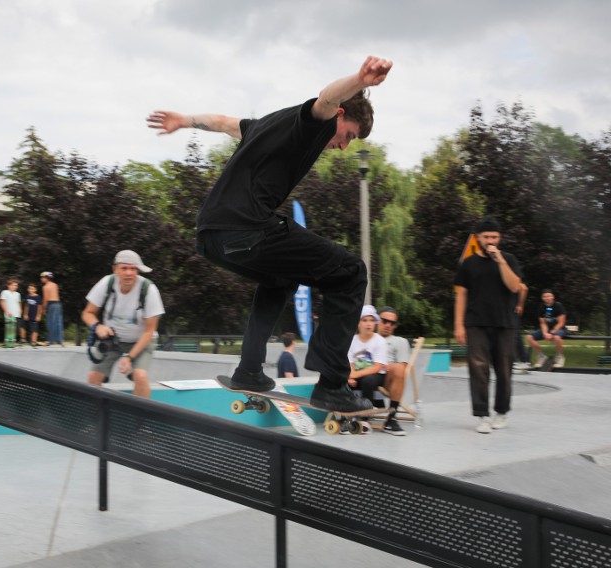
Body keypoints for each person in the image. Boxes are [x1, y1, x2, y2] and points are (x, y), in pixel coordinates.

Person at [147, 55, 393, 412]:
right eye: (349, 135)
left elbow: (224, 123)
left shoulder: (266, 124)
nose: (344, 146)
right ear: (341, 115)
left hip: (212, 236)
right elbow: (325, 98)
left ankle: (248, 370)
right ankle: (333, 385)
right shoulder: (315, 123)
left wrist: (184, 120)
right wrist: (360, 79)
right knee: (352, 272)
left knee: (280, 279)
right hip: (247, 230)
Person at [454, 216, 524, 434]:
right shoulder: (468, 263)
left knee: (504, 371)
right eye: (486, 237)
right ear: (478, 238)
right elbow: (462, 295)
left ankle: (501, 413)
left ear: (499, 238)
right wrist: (458, 325)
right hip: (476, 323)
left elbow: (515, 287)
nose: (490, 240)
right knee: (478, 370)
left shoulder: (509, 259)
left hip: (505, 324)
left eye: (494, 237)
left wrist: (500, 260)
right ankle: (482, 416)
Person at [81, 250, 165, 399]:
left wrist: (129, 358)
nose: (129, 273)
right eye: (124, 268)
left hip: (140, 341)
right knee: (94, 376)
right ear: (115, 269)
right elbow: (88, 313)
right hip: (113, 339)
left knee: (140, 376)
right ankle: (95, 419)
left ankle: (141, 419)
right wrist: (98, 327)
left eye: (133, 269)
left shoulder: (149, 290)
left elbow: (149, 331)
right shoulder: (107, 283)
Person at [376, 306, 410, 436]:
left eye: (392, 323)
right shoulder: (367, 338)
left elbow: (402, 366)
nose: (388, 325)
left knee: (399, 368)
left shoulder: (400, 341)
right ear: (377, 320)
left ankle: (391, 418)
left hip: (386, 378)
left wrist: (387, 366)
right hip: (365, 374)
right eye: (384, 321)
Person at [347, 305, 389, 408]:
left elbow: (377, 367)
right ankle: (345, 412)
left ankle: (366, 414)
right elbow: (350, 362)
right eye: (364, 320)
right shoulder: (352, 340)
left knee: (368, 380)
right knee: (340, 379)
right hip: (357, 372)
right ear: (358, 323)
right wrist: (349, 376)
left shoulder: (380, 341)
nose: (368, 324)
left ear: (375, 323)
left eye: (371, 320)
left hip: (376, 375)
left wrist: (355, 375)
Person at [526, 289, 568, 369]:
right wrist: (545, 333)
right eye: (545, 296)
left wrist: (552, 333)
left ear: (553, 297)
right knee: (529, 337)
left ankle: (560, 357)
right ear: (542, 298)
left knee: (556, 337)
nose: (547, 298)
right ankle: (541, 357)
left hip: (559, 329)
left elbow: (561, 322)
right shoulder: (541, 307)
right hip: (547, 330)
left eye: (549, 296)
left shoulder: (558, 306)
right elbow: (543, 323)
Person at [40, 271, 64, 346]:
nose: (41, 279)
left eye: (42, 277)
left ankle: (51, 340)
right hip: (58, 304)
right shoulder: (55, 285)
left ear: (47, 278)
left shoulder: (45, 287)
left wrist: (43, 309)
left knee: (50, 322)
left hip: (51, 304)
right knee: (58, 322)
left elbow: (45, 299)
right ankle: (60, 340)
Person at [512, 283, 531, 374]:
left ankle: (523, 361)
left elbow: (524, 288)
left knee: (515, 335)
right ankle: (521, 361)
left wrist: (520, 305)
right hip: (504, 311)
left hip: (511, 310)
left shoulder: (511, 278)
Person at [0, 279, 21, 349]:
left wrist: (20, 309)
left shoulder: (18, 294)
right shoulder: (5, 292)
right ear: (9, 285)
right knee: (9, 328)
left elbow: (18, 302)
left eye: (16, 286)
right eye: (14, 285)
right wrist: (6, 311)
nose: (15, 287)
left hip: (15, 313)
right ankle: (8, 344)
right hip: (8, 312)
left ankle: (12, 343)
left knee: (14, 329)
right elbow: (2, 302)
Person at [23, 283, 42, 348]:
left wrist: (38, 315)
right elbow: (26, 306)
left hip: (35, 315)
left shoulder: (37, 297)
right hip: (29, 315)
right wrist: (25, 314)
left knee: (35, 329)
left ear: (35, 290)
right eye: (29, 288)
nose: (31, 290)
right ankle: (30, 341)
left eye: (32, 289)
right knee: (30, 328)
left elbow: (39, 307)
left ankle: (34, 342)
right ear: (28, 289)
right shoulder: (27, 296)